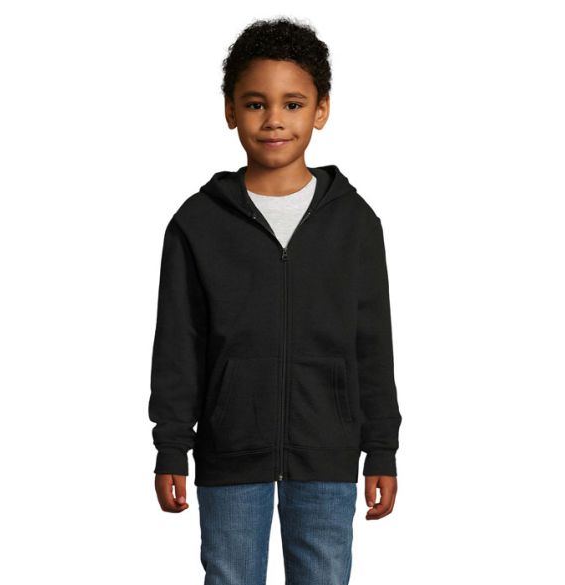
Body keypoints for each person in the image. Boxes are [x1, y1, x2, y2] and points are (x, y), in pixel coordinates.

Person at [148, 16, 402, 585]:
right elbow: (178, 345)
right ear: (230, 110)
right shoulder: (197, 224)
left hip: (327, 451)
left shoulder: (355, 224)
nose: (274, 120)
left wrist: (382, 447)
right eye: (255, 103)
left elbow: (372, 344)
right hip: (230, 450)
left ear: (321, 110)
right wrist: (171, 447)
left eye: (293, 104)